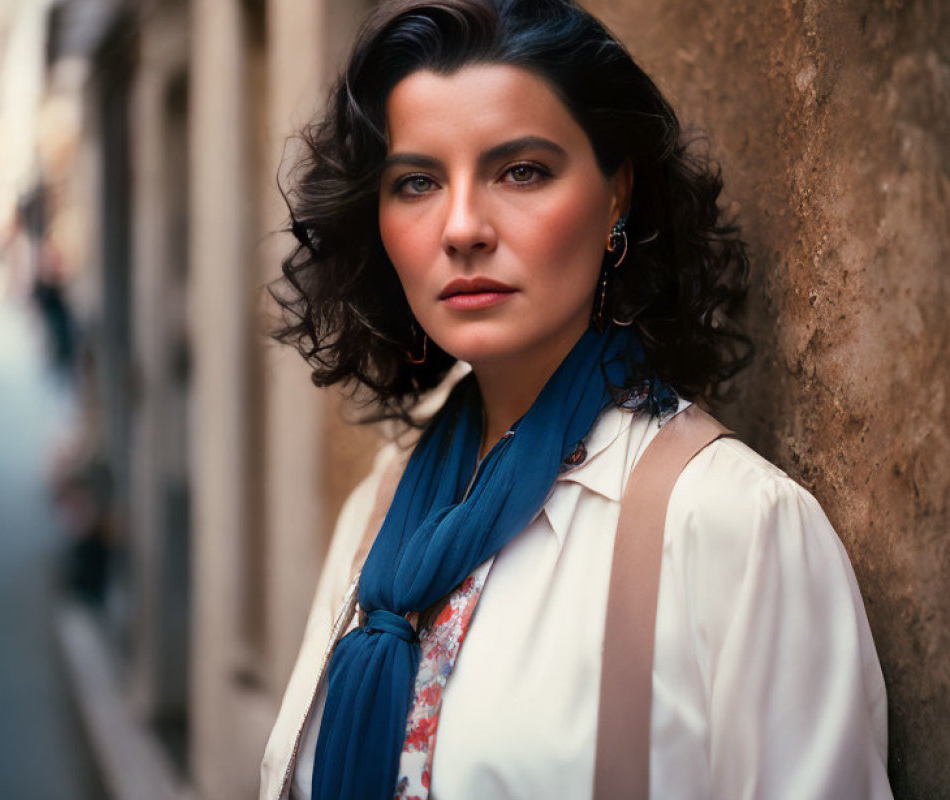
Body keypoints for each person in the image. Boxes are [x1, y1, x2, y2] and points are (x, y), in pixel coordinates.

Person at [261, 1, 893, 799]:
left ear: (616, 196)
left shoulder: (731, 529)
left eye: (521, 170)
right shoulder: (382, 509)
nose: (462, 227)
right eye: (417, 182)